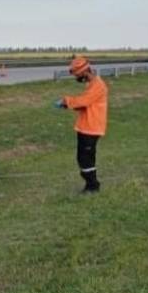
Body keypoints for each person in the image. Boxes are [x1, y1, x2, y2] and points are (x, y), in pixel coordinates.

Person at [55, 56, 108, 193]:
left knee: (86, 158)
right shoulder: (91, 84)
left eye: (77, 75)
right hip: (86, 127)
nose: (76, 78)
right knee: (83, 157)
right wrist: (68, 106)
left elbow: (84, 101)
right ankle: (91, 184)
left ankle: (92, 186)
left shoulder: (98, 86)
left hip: (92, 128)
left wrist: (66, 101)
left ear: (85, 71)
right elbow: (87, 105)